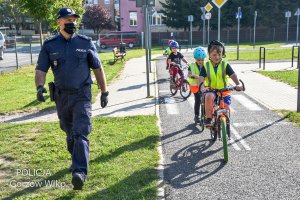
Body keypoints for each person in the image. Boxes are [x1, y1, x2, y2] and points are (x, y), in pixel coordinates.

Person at [35, 7, 109, 190]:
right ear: (59, 22)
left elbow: (98, 69)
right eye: (67, 20)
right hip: (61, 97)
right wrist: (39, 87)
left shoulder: (85, 43)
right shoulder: (50, 45)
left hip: (82, 95)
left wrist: (104, 91)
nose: (72, 23)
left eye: (74, 20)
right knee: (69, 132)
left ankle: (79, 173)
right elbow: (41, 69)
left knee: (80, 132)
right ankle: (76, 158)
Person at [199, 40, 243, 128]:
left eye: (219, 54)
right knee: (208, 97)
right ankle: (209, 119)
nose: (217, 57)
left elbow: (232, 75)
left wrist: (238, 84)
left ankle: (226, 122)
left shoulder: (225, 65)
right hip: (211, 89)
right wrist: (202, 87)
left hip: (224, 90)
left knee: (226, 107)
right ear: (209, 55)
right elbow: (201, 78)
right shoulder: (206, 66)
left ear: (222, 54)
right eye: (214, 55)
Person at [187, 47, 207, 123]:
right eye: (199, 60)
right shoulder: (191, 65)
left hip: (204, 86)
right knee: (198, 100)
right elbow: (189, 74)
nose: (200, 61)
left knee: (205, 100)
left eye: (202, 60)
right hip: (195, 87)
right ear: (195, 58)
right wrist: (193, 76)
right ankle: (196, 115)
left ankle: (204, 115)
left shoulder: (206, 65)